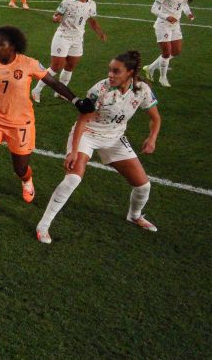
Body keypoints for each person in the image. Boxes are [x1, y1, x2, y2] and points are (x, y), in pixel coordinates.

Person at [36, 51, 161, 244]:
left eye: (116, 71)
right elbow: (82, 120)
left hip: (114, 138)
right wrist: (74, 151)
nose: (110, 74)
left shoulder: (142, 90)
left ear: (130, 72)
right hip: (88, 134)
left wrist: (152, 138)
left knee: (143, 186)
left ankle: (134, 215)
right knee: (72, 179)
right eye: (110, 70)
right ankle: (43, 225)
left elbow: (155, 117)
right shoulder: (100, 90)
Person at [0, 26, 95, 214]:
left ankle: (27, 181)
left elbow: (53, 83)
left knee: (20, 168)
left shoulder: (28, 63)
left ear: (13, 47)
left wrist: (76, 100)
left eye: (0, 44)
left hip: (21, 125)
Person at [31, 0, 107, 103]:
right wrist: (56, 18)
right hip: (63, 37)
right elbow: (57, 15)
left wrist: (100, 32)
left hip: (77, 39)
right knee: (56, 67)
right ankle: (36, 90)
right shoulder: (67, 2)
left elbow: (92, 20)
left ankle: (60, 92)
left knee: (70, 66)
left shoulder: (92, 4)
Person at [143, 0, 195, 88]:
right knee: (166, 53)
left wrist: (189, 13)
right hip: (163, 25)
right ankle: (163, 77)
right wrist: (166, 17)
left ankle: (150, 68)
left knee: (176, 51)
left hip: (175, 25)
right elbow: (153, 9)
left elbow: (184, 4)